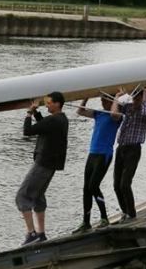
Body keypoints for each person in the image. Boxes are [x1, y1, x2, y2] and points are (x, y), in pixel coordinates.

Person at [16, 91, 69, 245]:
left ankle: (31, 234)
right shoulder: (62, 119)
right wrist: (36, 113)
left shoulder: (53, 121)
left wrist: (29, 113)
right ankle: (41, 233)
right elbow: (43, 125)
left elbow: (28, 131)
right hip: (51, 165)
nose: (47, 105)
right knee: (38, 197)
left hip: (43, 164)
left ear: (57, 104)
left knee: (22, 196)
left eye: (49, 102)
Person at [72, 96, 122, 233]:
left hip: (104, 154)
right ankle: (86, 222)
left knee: (93, 186)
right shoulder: (98, 113)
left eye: (105, 100)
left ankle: (104, 218)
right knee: (86, 188)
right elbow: (80, 112)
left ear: (112, 101)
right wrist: (85, 98)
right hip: (92, 153)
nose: (102, 102)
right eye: (101, 100)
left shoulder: (117, 115)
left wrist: (116, 97)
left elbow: (113, 113)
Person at [110, 88, 146, 223]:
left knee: (125, 183)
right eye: (134, 97)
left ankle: (132, 213)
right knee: (117, 184)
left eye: (138, 97)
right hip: (121, 147)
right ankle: (125, 210)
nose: (135, 100)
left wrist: (144, 94)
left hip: (133, 149)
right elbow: (114, 114)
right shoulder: (127, 108)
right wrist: (117, 97)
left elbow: (145, 112)